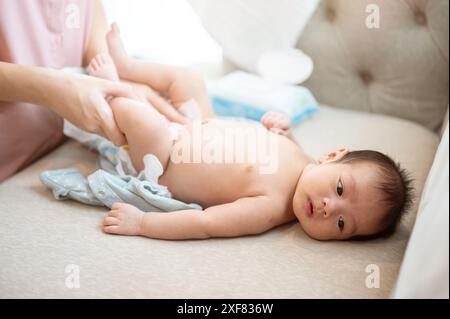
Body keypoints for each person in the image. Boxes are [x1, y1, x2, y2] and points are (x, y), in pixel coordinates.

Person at [83, 24, 414, 241]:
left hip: (165, 161)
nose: (330, 208)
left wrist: (142, 224)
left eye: (342, 224)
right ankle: (129, 68)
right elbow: (282, 145)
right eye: (340, 188)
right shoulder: (300, 156)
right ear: (331, 156)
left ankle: (112, 88)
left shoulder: (270, 209)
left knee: (141, 119)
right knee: (189, 80)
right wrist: (280, 129)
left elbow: (206, 224)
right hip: (196, 124)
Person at [0, 0, 212, 182]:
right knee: (188, 82)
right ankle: (123, 70)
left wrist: (102, 60)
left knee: (155, 113)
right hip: (12, 151)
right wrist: (53, 89)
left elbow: (85, 6)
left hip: (181, 152)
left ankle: (119, 74)